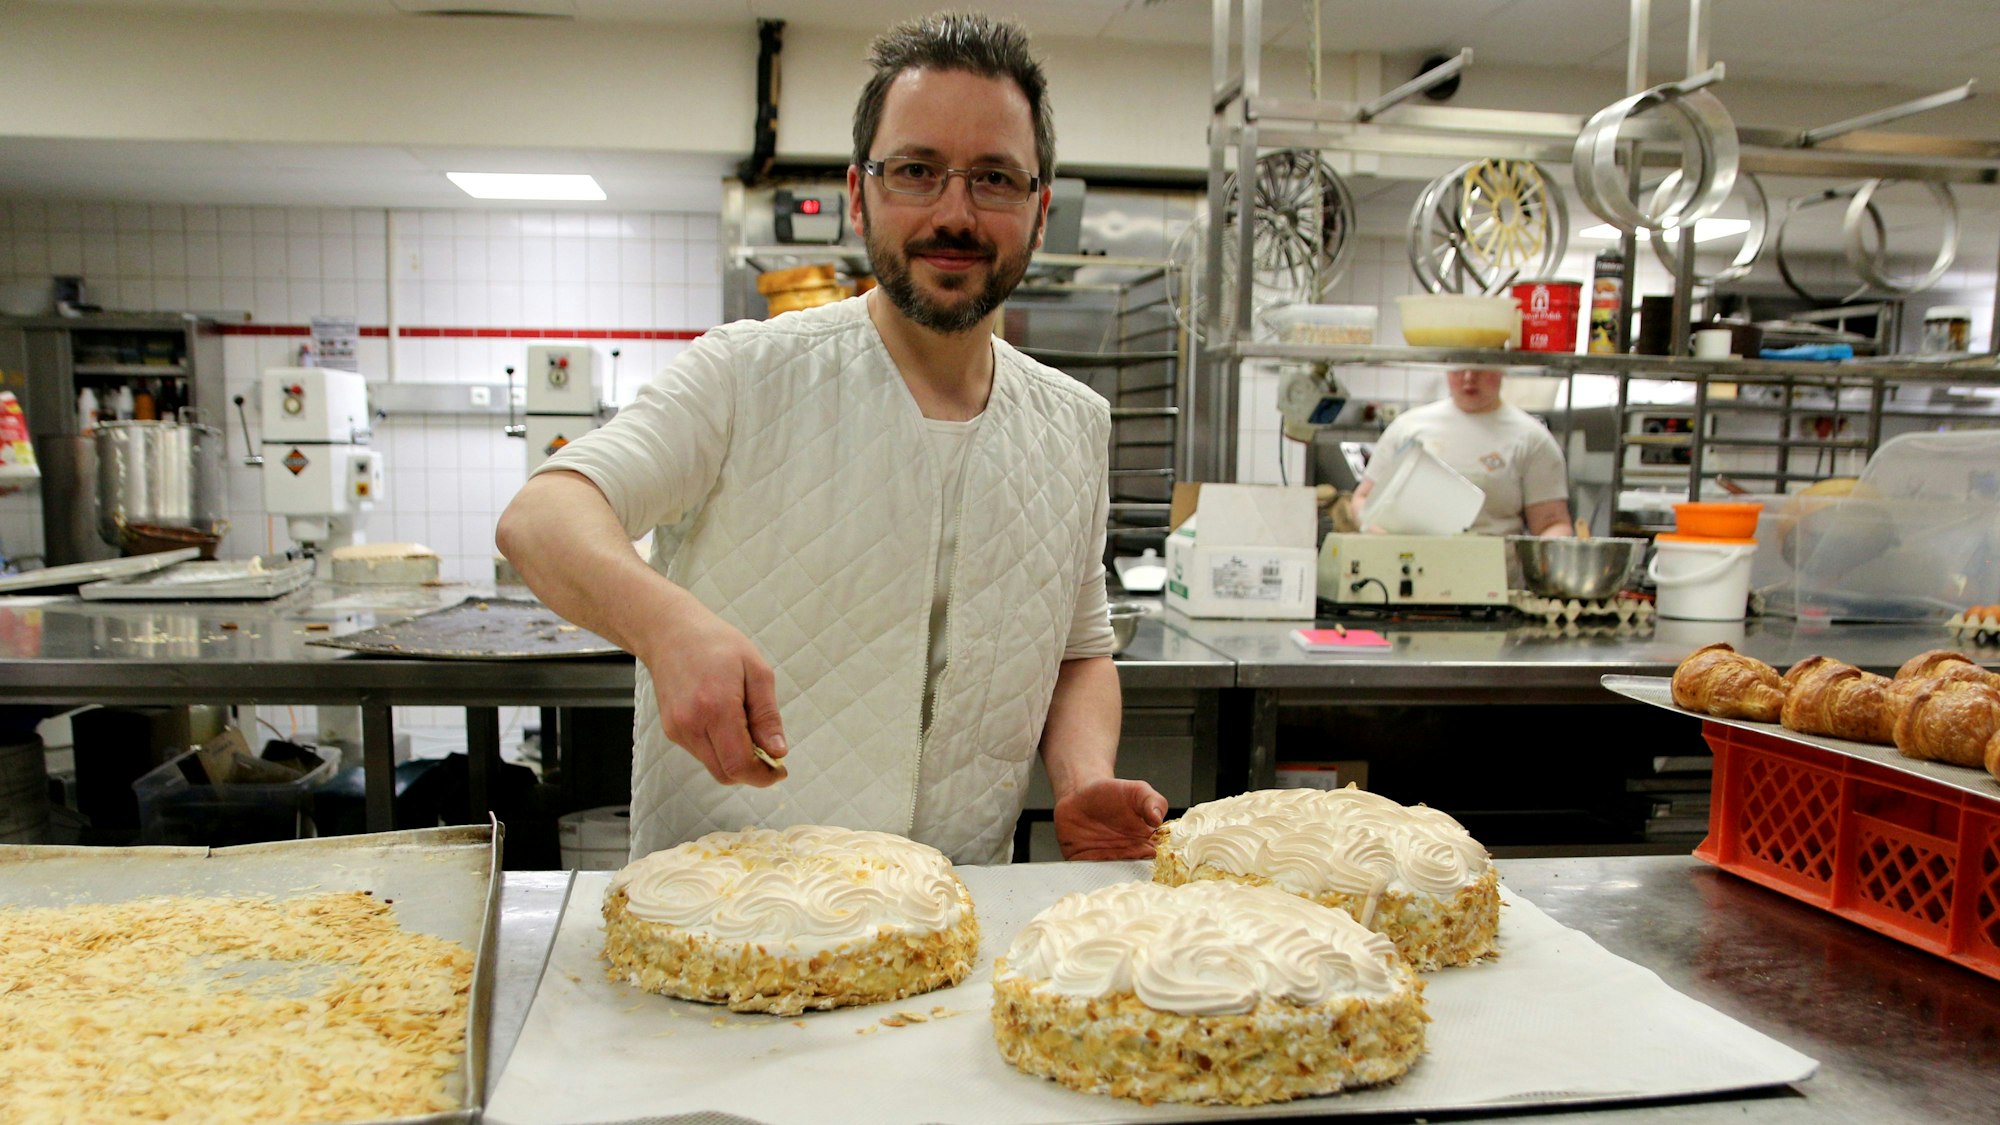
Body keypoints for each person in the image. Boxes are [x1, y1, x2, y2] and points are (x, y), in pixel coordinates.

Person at [495, 11, 1167, 866]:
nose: (955, 213)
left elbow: (1078, 654)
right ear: (859, 195)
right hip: (725, 905)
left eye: (995, 178)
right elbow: (543, 517)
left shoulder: (1073, 424)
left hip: (954, 909)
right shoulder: (746, 371)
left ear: (1039, 212)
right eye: (917, 171)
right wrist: (665, 624)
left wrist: (1081, 778)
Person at [1352, 367, 1575, 537]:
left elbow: (1552, 523)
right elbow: (1364, 499)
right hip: (1409, 570)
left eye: (1481, 367)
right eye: (1459, 368)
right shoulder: (1407, 427)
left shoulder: (1531, 438)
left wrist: (1546, 561)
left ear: (1502, 368)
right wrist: (1382, 539)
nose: (1469, 377)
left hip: (1494, 577)